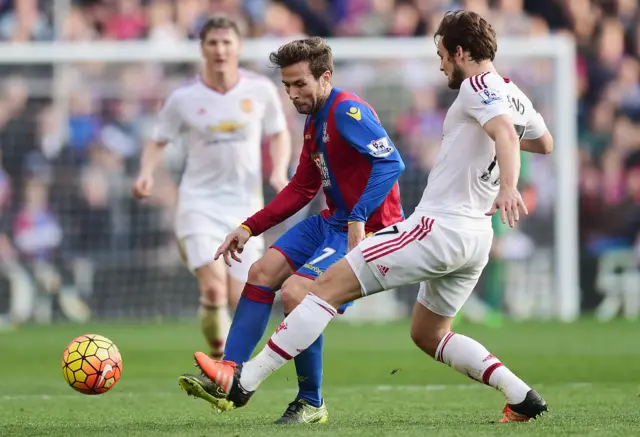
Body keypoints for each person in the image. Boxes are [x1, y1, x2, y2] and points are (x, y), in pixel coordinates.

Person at [180, 10, 555, 423]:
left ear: (460, 51)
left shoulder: (475, 86)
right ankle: (522, 397)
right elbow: (543, 142)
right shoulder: (513, 93)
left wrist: (506, 184)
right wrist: (249, 227)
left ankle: (250, 384)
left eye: (442, 53)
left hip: (435, 225)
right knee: (428, 335)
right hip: (474, 235)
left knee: (306, 293)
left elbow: (496, 133)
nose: (440, 62)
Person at [177, 36, 405, 424]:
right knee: (260, 272)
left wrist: (358, 218)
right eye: (286, 85)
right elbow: (303, 186)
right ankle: (228, 374)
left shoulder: (347, 110)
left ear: (325, 77)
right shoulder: (314, 120)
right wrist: (249, 227)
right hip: (333, 220)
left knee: (298, 293)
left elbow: (391, 164)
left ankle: (311, 402)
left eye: (300, 83)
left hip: (369, 228)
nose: (292, 93)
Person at [131, 16, 292, 360]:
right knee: (215, 288)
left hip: (246, 209)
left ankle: (231, 364)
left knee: (241, 297)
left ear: (239, 47)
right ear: (202, 49)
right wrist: (146, 173)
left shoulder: (260, 90)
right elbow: (157, 139)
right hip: (198, 205)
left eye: (226, 42)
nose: (220, 49)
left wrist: (278, 170)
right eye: (213, 43)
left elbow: (279, 132)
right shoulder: (183, 97)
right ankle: (221, 362)